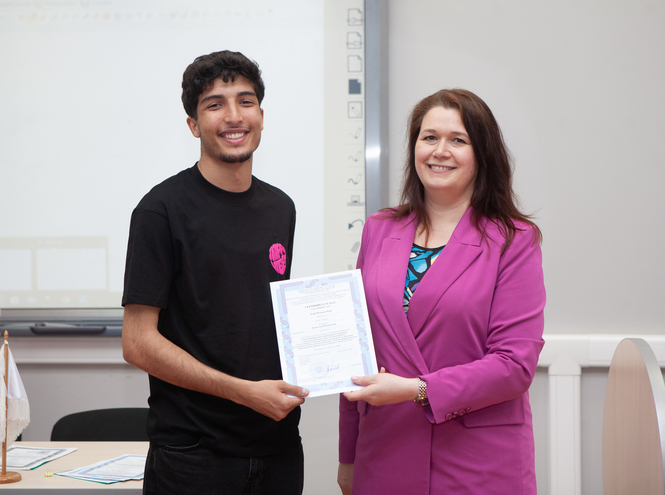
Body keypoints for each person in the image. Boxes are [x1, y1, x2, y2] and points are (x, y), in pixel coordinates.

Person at [337, 89, 545, 494]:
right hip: (385, 453)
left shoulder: (514, 240)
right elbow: (355, 349)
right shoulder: (379, 228)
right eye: (429, 137)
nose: (440, 151)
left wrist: (418, 390)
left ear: (482, 154)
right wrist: (348, 456)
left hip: (478, 462)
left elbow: (515, 365)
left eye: (458, 140)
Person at [121, 50, 309, 495]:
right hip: (192, 455)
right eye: (214, 104)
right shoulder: (160, 210)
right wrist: (243, 392)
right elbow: (138, 342)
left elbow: (257, 320)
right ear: (193, 125)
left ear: (261, 115)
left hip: (278, 447)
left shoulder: (280, 207)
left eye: (245, 101)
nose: (233, 116)